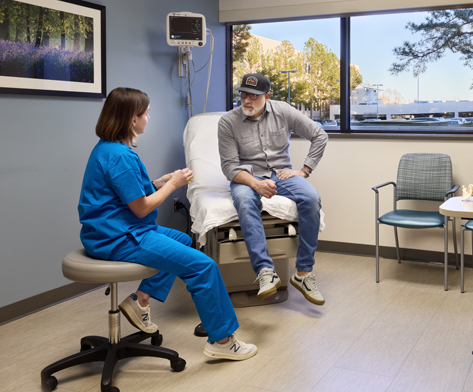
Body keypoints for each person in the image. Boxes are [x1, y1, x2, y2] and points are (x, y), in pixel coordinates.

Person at [78, 87, 257, 360]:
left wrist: (157, 183)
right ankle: (222, 341)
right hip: (121, 237)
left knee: (184, 239)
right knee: (203, 266)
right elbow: (141, 208)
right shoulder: (120, 157)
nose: (148, 117)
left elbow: (126, 195)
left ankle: (141, 300)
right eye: (145, 113)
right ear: (131, 119)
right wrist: (173, 184)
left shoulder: (108, 149)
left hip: (110, 230)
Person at [218, 73, 328, 305]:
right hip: (246, 175)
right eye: (243, 95)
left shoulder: (283, 110)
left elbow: (319, 135)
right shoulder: (228, 122)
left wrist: (304, 171)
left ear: (267, 96)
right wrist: (255, 183)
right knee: (246, 202)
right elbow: (229, 166)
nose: (246, 101)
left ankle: (303, 273)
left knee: (311, 198)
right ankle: (265, 271)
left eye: (253, 96)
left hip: (282, 173)